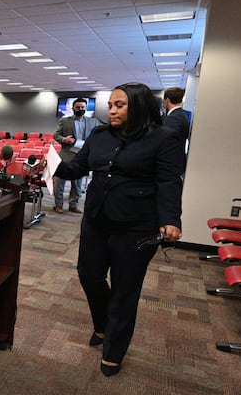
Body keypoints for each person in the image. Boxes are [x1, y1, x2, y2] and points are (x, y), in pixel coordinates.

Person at [53, 82, 184, 377]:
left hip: (137, 226)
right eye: (110, 105)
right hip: (97, 220)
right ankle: (103, 324)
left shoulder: (164, 138)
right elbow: (78, 169)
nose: (111, 110)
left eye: (119, 105)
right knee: (89, 275)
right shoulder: (100, 135)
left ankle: (113, 348)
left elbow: (169, 181)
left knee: (125, 290)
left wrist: (171, 219)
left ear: (137, 106)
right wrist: (50, 166)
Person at [52, 98, 99, 214]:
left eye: (83, 107)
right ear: (73, 108)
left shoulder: (93, 122)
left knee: (77, 184)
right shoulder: (64, 120)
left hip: (81, 157)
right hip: (66, 155)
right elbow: (56, 135)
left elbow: (95, 137)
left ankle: (73, 205)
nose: (80, 109)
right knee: (60, 183)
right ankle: (58, 205)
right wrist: (64, 139)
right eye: (78, 107)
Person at [162, 86, 190, 156]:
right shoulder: (183, 115)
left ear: (167, 100)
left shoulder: (172, 118)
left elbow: (167, 143)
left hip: (172, 158)